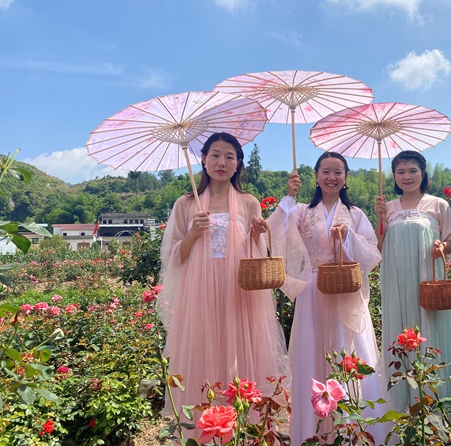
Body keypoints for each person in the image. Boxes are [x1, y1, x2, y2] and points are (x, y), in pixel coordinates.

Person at [156, 133, 288, 434]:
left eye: (230, 156)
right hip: (199, 291)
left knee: (239, 353)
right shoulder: (186, 204)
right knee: (202, 351)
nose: (222, 162)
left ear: (238, 163)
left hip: (239, 291)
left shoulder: (248, 202)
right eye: (215, 154)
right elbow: (173, 257)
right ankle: (204, 429)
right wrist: (193, 233)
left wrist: (257, 234)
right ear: (203, 159)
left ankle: (244, 429)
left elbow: (258, 256)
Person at [269, 151, 388, 445]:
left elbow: (372, 254)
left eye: (338, 172)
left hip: (346, 289)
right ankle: (314, 431)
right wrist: (288, 197)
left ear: (346, 178)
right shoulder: (301, 211)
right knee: (313, 353)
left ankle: (353, 431)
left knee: (348, 351)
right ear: (316, 176)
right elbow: (274, 232)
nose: (331, 177)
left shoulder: (355, 214)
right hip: (313, 288)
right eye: (325, 171)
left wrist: (348, 237)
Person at [374, 150, 451, 412]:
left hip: (427, 279)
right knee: (400, 327)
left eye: (412, 170)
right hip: (396, 281)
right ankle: (402, 401)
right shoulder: (388, 208)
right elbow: (378, 247)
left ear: (423, 174)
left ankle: (436, 399)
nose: (407, 176)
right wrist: (379, 218)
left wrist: (442, 247)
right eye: (400, 171)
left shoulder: (438, 205)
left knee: (429, 327)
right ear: (394, 176)